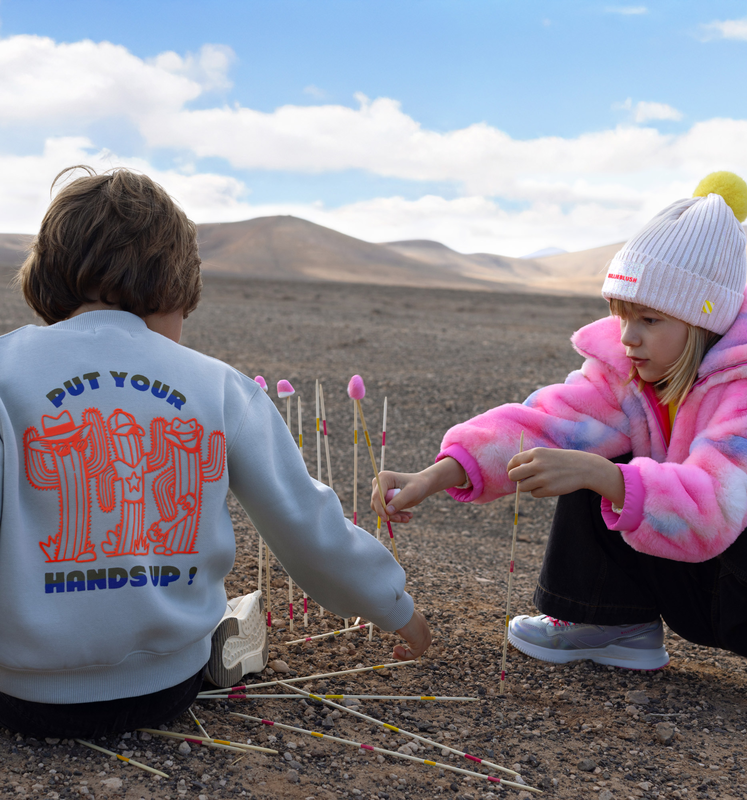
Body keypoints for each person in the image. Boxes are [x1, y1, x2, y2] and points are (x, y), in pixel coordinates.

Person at [0, 166, 431, 740]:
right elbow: (306, 521)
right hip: (167, 686)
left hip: (20, 693)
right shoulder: (217, 384)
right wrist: (395, 607)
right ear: (173, 284)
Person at [371, 172, 747, 714]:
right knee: (588, 449)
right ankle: (610, 622)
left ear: (701, 321)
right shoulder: (630, 374)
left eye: (649, 319)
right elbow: (547, 422)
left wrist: (604, 477)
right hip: (697, 587)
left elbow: (716, 504)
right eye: (623, 316)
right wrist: (438, 473)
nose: (628, 337)